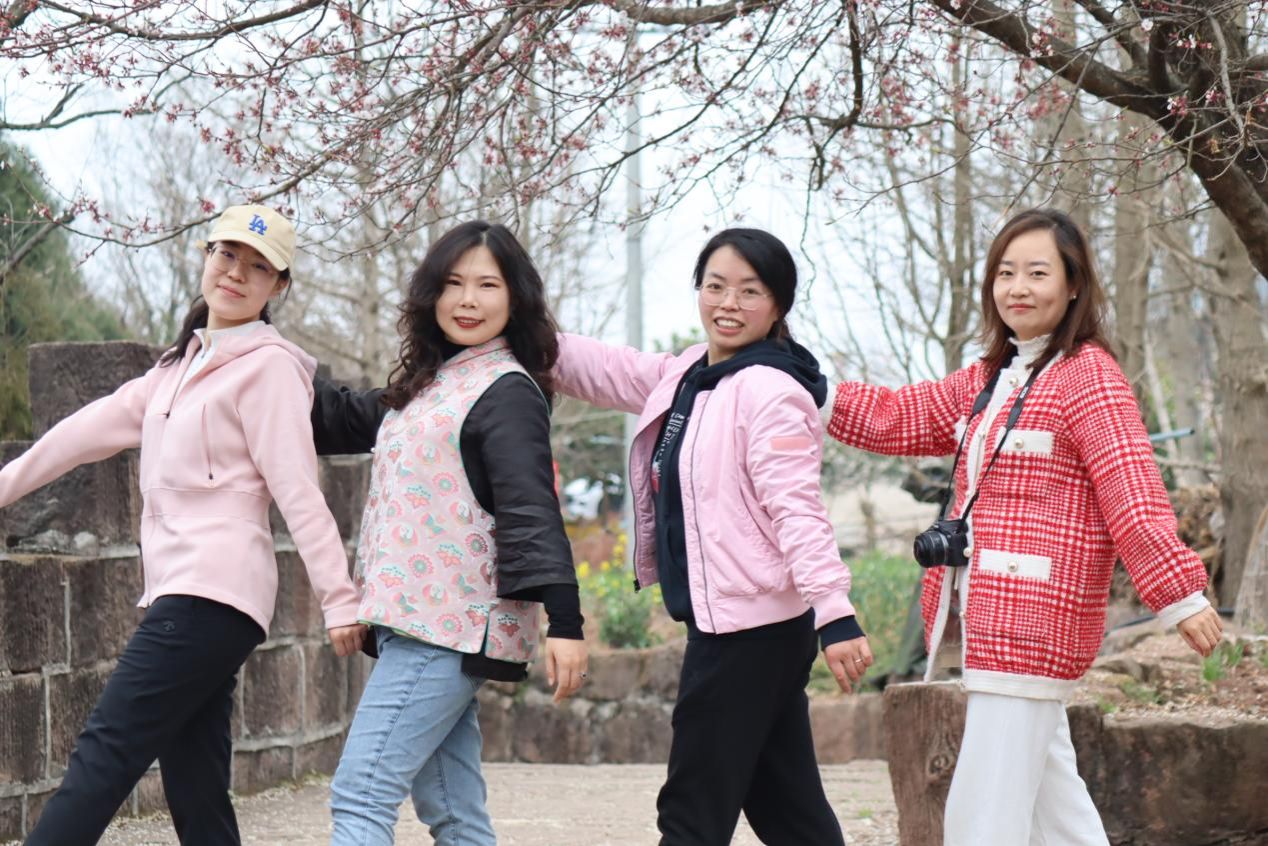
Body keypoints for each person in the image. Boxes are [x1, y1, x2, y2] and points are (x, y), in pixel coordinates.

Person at [825, 208, 1224, 845]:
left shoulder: (1089, 375)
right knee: (1055, 815)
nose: (1017, 288)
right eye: (1005, 273)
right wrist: (806, 387)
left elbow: (1130, 489)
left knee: (982, 816)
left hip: (1037, 622)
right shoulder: (991, 376)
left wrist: (1180, 594)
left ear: (1073, 284)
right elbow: (900, 415)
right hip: (991, 620)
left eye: (1037, 273)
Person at [0, 204, 366, 845]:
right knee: (196, 785)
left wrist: (339, 599)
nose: (236, 273)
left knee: (104, 752)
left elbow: (297, 488)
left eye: (258, 267)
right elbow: (74, 438)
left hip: (214, 592)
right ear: (206, 256)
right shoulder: (173, 372)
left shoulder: (270, 368)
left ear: (278, 286)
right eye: (227, 255)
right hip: (184, 594)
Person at [552, 227, 873, 846]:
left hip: (747, 633)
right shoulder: (689, 377)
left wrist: (835, 613)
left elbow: (798, 511)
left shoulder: (771, 390)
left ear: (778, 305)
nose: (728, 303)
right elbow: (606, 368)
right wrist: (518, 326)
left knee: (692, 813)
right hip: (741, 624)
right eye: (715, 286)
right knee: (789, 811)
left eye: (750, 291)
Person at [308, 220, 588, 846]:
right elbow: (338, 415)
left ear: (514, 298)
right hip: (415, 624)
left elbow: (532, 510)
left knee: (360, 794)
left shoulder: (507, 390)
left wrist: (566, 624)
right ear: (432, 294)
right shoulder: (431, 386)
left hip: (450, 628)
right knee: (453, 813)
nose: (467, 300)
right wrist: (262, 355)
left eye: (487, 285)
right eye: (454, 283)